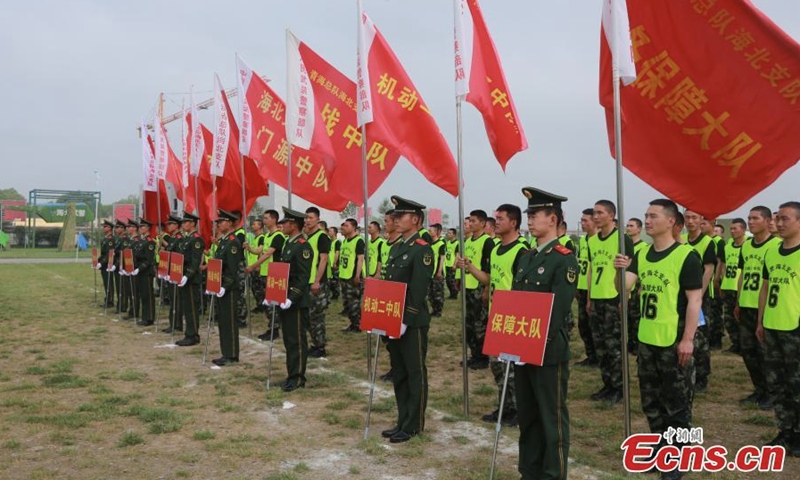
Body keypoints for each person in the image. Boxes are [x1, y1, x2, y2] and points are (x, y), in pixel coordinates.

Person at [615, 199, 702, 480]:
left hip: (673, 340)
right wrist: (620, 271)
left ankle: (678, 457)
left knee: (676, 403)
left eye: (653, 216)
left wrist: (688, 339)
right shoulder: (643, 254)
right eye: (646, 216)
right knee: (651, 401)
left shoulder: (685, 256)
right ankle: (662, 449)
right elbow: (624, 288)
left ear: (671, 222)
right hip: (647, 339)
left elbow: (694, 300)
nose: (647, 221)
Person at [511, 187, 578, 480]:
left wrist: (534, 343)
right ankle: (530, 470)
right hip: (523, 347)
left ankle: (554, 473)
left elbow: (559, 309)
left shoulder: (564, 259)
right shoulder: (524, 257)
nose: (530, 220)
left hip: (548, 349)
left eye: (535, 215)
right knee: (528, 414)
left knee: (551, 417)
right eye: (529, 215)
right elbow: (516, 303)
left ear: (553, 219)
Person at [459, 204, 528, 427]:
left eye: (500, 218)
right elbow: (489, 279)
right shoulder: (497, 248)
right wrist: (470, 267)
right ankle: (505, 406)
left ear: (514, 223)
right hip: (496, 315)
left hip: (514, 319)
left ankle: (519, 409)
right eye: (495, 218)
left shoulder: (522, 251)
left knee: (513, 368)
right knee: (497, 366)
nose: (495, 222)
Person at [381, 196, 433, 443]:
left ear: (415, 219)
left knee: (414, 372)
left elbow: (419, 288)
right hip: (393, 319)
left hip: (412, 322)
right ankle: (402, 419)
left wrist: (406, 319)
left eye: (401, 216)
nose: (396, 220)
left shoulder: (422, 248)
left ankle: (413, 424)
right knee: (399, 372)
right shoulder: (398, 246)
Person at [758, 201, 800, 456]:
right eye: (778, 218)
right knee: (778, 383)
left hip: (795, 329)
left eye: (785, 219)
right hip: (773, 327)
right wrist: (761, 321)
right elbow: (765, 287)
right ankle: (786, 430)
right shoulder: (772, 252)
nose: (780, 224)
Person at [587, 200, 634, 403]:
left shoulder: (623, 239)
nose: (596, 217)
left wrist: (624, 298)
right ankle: (607, 384)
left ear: (611, 215)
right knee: (601, 346)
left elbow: (629, 272)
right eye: (594, 213)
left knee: (614, 345)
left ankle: (620, 387)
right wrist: (589, 297)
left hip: (614, 299)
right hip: (597, 299)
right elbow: (591, 269)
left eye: (600, 213)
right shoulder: (592, 240)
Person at [736, 206, 780, 408]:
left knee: (766, 354)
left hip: (767, 309)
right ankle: (759, 389)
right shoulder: (745, 246)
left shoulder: (777, 246)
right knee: (748, 351)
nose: (751, 222)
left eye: (755, 218)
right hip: (746, 306)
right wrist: (738, 301)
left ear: (767, 221)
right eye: (749, 218)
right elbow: (743, 275)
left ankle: (773, 393)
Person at [273, 208, 313, 391]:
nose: (281, 225)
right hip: (284, 298)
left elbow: (303, 277)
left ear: (294, 225)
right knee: (289, 339)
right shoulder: (289, 244)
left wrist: (291, 297)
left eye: (285, 223)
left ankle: (297, 377)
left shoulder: (303, 245)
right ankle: (291, 374)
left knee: (296, 339)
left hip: (295, 301)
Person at [683, 209, 718, 393]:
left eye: (694, 218)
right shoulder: (681, 240)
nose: (690, 221)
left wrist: (698, 295)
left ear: (701, 220)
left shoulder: (707, 242)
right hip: (685, 297)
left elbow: (708, 270)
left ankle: (702, 376)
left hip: (700, 298)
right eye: (687, 217)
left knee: (701, 339)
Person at [211, 210, 244, 366]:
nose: (218, 224)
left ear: (230, 223)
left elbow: (232, 269)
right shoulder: (224, 241)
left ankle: (231, 354)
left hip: (229, 288)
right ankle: (226, 352)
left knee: (229, 321)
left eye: (221, 221)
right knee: (223, 321)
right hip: (220, 285)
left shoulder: (233, 242)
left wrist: (224, 286)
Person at [463, 209, 494, 370]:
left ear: (482, 223)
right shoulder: (468, 242)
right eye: (469, 221)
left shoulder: (487, 242)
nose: (470, 224)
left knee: (480, 324)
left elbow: (489, 270)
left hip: (480, 286)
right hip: (468, 286)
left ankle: (483, 358)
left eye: (473, 221)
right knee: (468, 325)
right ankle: (474, 354)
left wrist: (486, 289)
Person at [251, 210, 286, 341]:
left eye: (266, 218)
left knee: (272, 303)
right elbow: (260, 251)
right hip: (266, 272)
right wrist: (249, 248)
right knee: (267, 302)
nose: (264, 221)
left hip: (275, 273)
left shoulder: (278, 236)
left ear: (274, 220)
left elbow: (267, 254)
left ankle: (274, 329)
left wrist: (253, 266)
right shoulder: (267, 236)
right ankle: (272, 326)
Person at [305, 207, 332, 359]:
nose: (307, 220)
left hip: (318, 283)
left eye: (310, 218)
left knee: (317, 316)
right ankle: (315, 343)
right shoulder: (309, 237)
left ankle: (320, 347)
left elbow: (323, 259)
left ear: (317, 219)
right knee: (310, 316)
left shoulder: (321, 237)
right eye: (306, 218)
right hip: (309, 282)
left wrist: (316, 281)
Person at [379, 209, 403, 382]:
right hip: (383, 294)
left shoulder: (403, 244)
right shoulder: (384, 244)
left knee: (397, 338)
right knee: (386, 337)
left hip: (397, 296)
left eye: (386, 221)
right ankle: (394, 366)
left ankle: (399, 369)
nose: (384, 224)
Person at [175, 212, 205, 347]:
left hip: (191, 278)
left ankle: (193, 335)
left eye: (186, 222)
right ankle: (189, 333)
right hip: (184, 277)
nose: (183, 224)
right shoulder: (187, 239)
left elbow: (195, 261)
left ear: (193, 223)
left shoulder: (196, 239)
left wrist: (187, 275)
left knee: (192, 307)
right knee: (187, 307)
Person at [718, 218, 746, 354]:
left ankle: (744, 344)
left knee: (740, 318)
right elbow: (722, 264)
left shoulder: (748, 245)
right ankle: (736, 343)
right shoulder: (728, 246)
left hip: (740, 287)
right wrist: (720, 280)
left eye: (736, 228)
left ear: (743, 230)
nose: (733, 231)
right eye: (731, 228)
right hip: (728, 286)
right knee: (728, 318)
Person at [575, 208, 598, 367]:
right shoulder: (583, 241)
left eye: (585, 221)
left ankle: (598, 357)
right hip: (581, 288)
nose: (582, 223)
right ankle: (591, 356)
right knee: (583, 325)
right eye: (581, 220)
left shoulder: (598, 240)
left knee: (594, 326)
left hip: (595, 290)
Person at [626, 217, 650, 354]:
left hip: (637, 288)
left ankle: (636, 344)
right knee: (627, 317)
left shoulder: (643, 247)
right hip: (627, 286)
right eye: (627, 226)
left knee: (636, 317)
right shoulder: (625, 246)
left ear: (639, 229)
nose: (628, 228)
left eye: (631, 226)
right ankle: (629, 342)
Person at [339, 219, 365, 332]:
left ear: (353, 227)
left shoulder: (358, 241)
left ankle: (357, 325)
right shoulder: (345, 241)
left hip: (353, 276)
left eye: (346, 225)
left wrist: (357, 275)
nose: (343, 227)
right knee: (347, 302)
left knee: (354, 302)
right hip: (344, 275)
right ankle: (353, 323)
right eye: (343, 225)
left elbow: (360, 259)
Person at [161, 214, 184, 334]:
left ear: (176, 225)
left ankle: (177, 324)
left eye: (170, 224)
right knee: (173, 299)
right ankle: (173, 323)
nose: (168, 226)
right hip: (170, 272)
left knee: (176, 300)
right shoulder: (173, 238)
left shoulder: (179, 238)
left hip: (175, 272)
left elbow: (178, 257)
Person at [132, 218, 156, 326]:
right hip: (140, 272)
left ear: (148, 228)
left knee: (147, 296)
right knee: (143, 295)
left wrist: (139, 268)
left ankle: (149, 317)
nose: (140, 228)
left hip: (146, 272)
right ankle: (145, 316)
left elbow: (149, 260)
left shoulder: (150, 242)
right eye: (140, 226)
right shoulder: (141, 241)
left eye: (143, 226)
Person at [243, 219, 266, 314]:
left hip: (257, 266)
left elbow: (260, 252)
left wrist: (258, 265)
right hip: (252, 266)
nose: (252, 226)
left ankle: (262, 306)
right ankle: (259, 304)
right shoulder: (255, 238)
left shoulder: (261, 238)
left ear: (260, 226)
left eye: (255, 224)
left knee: (259, 288)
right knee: (254, 287)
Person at [427, 223, 446, 318]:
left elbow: (442, 258)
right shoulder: (430, 244)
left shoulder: (441, 244)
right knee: (431, 293)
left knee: (438, 293)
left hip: (437, 272)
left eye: (431, 230)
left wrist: (439, 271)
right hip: (430, 271)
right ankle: (434, 309)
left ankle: (438, 311)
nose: (429, 232)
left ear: (436, 232)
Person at [98, 220, 116, 309]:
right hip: (103, 264)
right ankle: (107, 299)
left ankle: (110, 300)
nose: (103, 228)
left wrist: (101, 263)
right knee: (106, 283)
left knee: (109, 283)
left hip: (108, 264)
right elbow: (102, 253)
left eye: (105, 227)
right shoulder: (105, 238)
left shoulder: (111, 239)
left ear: (110, 228)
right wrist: (98, 261)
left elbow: (109, 253)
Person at [444, 228, 459, 299]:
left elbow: (457, 255)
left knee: (452, 281)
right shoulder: (448, 242)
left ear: (454, 234)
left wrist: (455, 264)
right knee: (448, 281)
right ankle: (451, 294)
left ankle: (454, 294)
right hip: (447, 264)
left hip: (452, 265)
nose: (448, 234)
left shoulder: (457, 243)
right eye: (448, 233)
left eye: (450, 233)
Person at [328, 226, 341, 300]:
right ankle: (333, 293)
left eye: (330, 231)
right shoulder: (329, 241)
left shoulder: (337, 242)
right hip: (329, 265)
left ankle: (336, 294)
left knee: (335, 281)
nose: (329, 232)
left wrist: (335, 262)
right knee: (330, 280)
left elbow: (337, 253)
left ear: (335, 233)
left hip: (334, 265)